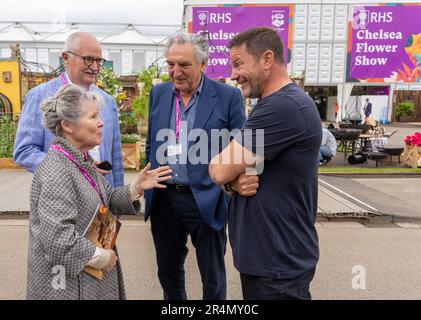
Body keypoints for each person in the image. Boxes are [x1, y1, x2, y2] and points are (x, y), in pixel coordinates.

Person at [27, 84, 172, 300]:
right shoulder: (57, 170)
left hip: (87, 279)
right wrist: (101, 257)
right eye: (93, 116)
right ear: (68, 125)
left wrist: (136, 187)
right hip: (68, 287)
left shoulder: (81, 160)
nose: (101, 122)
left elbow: (108, 200)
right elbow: (57, 239)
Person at [209, 27, 322, 300]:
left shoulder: (282, 107)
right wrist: (233, 184)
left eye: (238, 64)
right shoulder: (274, 105)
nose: (233, 74)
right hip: (273, 260)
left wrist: (227, 176)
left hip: (278, 266)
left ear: (267, 59)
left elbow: (219, 167)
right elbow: (238, 171)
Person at [144, 31, 246, 300]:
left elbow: (242, 150)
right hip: (164, 198)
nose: (175, 72)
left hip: (207, 198)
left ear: (203, 64)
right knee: (168, 274)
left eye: (184, 65)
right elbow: (151, 144)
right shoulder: (158, 93)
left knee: (212, 278)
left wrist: (227, 186)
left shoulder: (227, 97)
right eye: (170, 64)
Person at [14, 32, 124, 187]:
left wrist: (117, 201)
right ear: (66, 58)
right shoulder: (41, 96)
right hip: (60, 196)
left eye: (98, 61)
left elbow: (116, 157)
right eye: (88, 59)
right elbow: (24, 151)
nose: (94, 67)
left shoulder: (107, 101)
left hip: (102, 197)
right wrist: (70, 169)